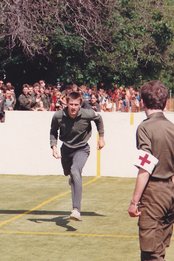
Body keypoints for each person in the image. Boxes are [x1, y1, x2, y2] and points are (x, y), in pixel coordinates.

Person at [128, 80, 174, 261]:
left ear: (142, 102)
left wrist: (134, 201)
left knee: (150, 253)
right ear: (165, 102)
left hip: (154, 193)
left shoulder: (145, 128)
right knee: (160, 247)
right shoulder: (172, 128)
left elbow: (145, 167)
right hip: (170, 192)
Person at [50, 91, 105, 221]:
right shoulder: (58, 116)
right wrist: (53, 147)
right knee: (69, 173)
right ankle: (73, 178)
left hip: (82, 148)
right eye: (71, 104)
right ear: (66, 103)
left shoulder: (87, 113)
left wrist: (101, 137)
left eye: (76, 104)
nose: (73, 107)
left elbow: (99, 119)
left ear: (80, 104)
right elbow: (53, 131)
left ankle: (76, 210)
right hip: (66, 150)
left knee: (76, 171)